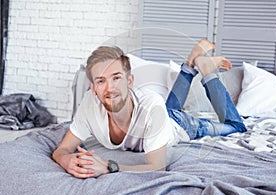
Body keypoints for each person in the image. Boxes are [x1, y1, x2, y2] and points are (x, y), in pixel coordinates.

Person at [52, 40, 246, 178]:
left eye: (116, 77)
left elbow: (157, 167)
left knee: (236, 126)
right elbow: (62, 150)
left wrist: (109, 167)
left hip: (178, 125)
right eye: (101, 81)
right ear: (93, 89)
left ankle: (206, 70)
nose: (110, 88)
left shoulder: (151, 106)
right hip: (159, 116)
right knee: (165, 109)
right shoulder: (89, 104)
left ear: (130, 81)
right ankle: (190, 64)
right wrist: (65, 160)